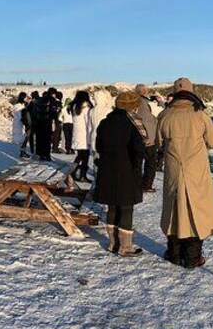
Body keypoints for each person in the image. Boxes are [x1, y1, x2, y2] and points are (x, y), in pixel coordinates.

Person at [157, 77, 213, 268]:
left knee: (174, 210)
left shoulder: (165, 115)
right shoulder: (199, 114)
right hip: (196, 170)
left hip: (174, 169)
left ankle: (174, 253)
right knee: (196, 210)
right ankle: (193, 256)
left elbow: (159, 142)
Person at [93, 91, 146, 257]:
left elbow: (99, 147)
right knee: (126, 207)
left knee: (112, 207)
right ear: (132, 107)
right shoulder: (132, 124)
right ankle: (125, 246)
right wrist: (137, 169)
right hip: (127, 171)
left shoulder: (105, 122)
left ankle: (112, 243)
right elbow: (138, 150)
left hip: (107, 170)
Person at [134, 84, 159, 193]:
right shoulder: (148, 103)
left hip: (136, 137)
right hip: (149, 137)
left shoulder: (133, 103)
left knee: (137, 163)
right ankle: (147, 184)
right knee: (150, 163)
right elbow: (157, 115)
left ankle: (136, 184)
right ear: (144, 92)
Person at [68, 90, 93, 181]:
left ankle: (73, 172)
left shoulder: (74, 106)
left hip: (77, 133)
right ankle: (82, 175)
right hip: (84, 134)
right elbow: (88, 122)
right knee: (85, 156)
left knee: (80, 155)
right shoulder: (86, 107)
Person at [31, 89, 55, 160]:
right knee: (47, 139)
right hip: (47, 122)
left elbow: (34, 112)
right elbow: (53, 112)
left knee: (39, 138)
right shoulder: (52, 100)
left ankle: (39, 154)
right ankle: (46, 155)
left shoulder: (38, 100)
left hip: (39, 122)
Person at [12, 92, 29, 158]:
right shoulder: (21, 107)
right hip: (20, 124)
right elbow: (24, 117)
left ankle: (23, 152)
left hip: (16, 123)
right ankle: (22, 152)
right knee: (22, 139)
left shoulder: (16, 106)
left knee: (20, 139)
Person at [51, 89, 64, 153]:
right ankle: (55, 147)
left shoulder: (54, 102)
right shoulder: (58, 103)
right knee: (57, 134)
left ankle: (54, 146)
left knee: (55, 134)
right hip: (57, 120)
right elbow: (58, 112)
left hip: (54, 120)